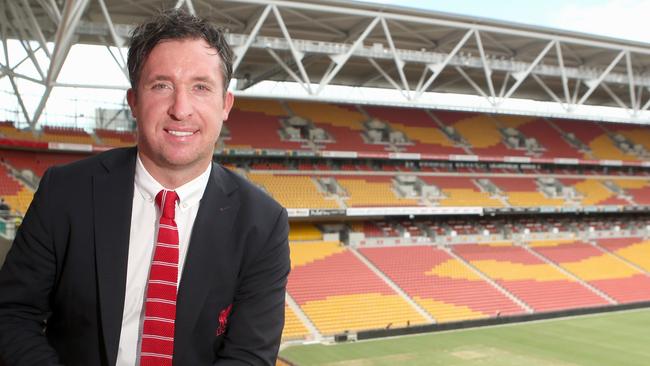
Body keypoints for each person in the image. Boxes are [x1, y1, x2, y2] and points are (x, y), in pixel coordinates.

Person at [0, 8, 290, 366]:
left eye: (200, 87)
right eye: (161, 85)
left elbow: (249, 356)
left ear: (225, 104)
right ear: (134, 101)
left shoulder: (263, 223)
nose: (181, 109)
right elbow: (11, 316)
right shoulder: (65, 192)